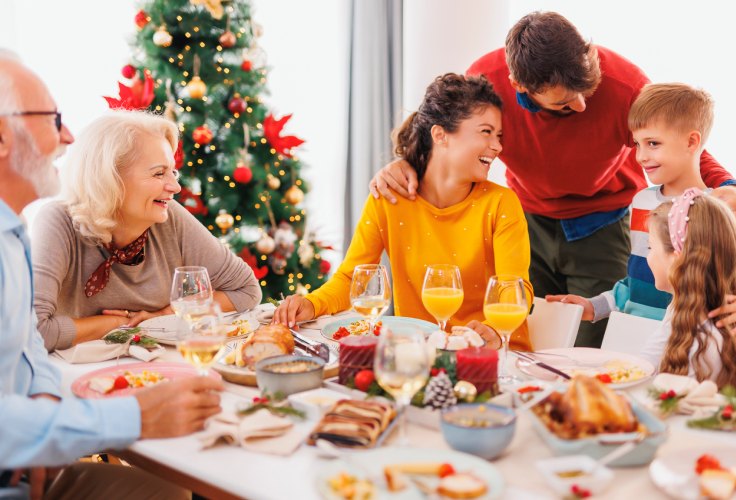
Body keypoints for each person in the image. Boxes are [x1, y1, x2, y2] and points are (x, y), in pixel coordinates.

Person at [369, 11, 736, 348]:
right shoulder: (487, 80)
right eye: (565, 103)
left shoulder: (627, 86)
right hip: (525, 223)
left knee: (590, 347)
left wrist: (733, 187)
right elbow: (446, 130)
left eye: (587, 91)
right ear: (522, 88)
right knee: (528, 338)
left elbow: (682, 144)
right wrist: (407, 162)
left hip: (602, 226)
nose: (582, 105)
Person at [0, 52, 222, 498]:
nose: (67, 135)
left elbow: (27, 348)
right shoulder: (49, 224)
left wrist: (44, 410)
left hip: (23, 465)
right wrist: (134, 417)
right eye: (52, 118)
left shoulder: (12, 232)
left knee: (169, 492)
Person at [274, 73, 533, 350]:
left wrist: (494, 328)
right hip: (418, 356)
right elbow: (351, 279)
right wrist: (310, 303)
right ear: (440, 135)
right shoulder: (388, 199)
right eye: (486, 132)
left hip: (493, 356)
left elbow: (514, 288)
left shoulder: (501, 203)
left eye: (499, 135)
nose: (497, 146)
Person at [31, 110, 262, 352]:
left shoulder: (168, 215)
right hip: (75, 378)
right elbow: (34, 331)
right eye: (158, 173)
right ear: (110, 178)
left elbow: (245, 290)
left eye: (173, 172)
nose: (174, 186)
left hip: (155, 370)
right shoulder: (58, 221)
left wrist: (162, 315)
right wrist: (119, 324)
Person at [546, 83, 736, 337]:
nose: (640, 156)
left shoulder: (715, 209)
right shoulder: (641, 203)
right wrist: (594, 306)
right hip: (631, 336)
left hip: (688, 341)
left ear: (691, 142)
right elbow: (634, 282)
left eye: (652, 143)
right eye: (637, 144)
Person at [640, 189, 736, 402]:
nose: (648, 257)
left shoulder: (700, 339)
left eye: (650, 247)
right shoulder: (686, 313)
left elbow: (640, 382)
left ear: (676, 259)